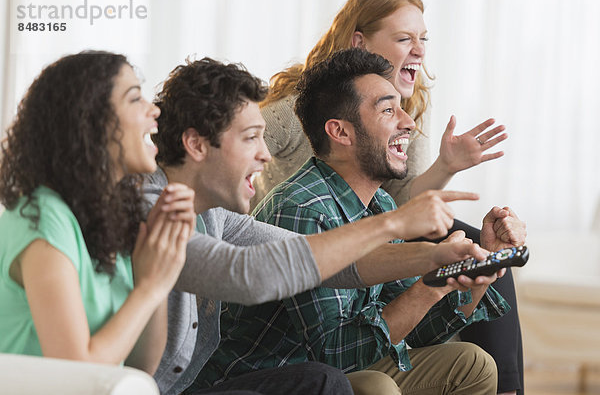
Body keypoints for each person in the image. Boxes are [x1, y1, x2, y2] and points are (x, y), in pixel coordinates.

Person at [143, 56, 495, 395]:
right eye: (251, 138)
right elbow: (248, 273)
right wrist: (395, 224)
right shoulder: (150, 209)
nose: (265, 155)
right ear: (195, 144)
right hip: (205, 382)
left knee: (470, 364)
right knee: (333, 381)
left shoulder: (214, 215)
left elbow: (329, 264)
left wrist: (438, 262)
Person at [254, 0, 523, 394]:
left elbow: (413, 321)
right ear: (339, 131)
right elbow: (333, 356)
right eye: (404, 38)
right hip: (291, 366)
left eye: (423, 39)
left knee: (472, 362)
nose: (409, 122)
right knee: (378, 383)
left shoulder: (378, 199)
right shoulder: (301, 195)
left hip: (362, 264)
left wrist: (475, 274)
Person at [0, 51, 195, 375]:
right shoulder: (43, 218)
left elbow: (140, 365)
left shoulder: (106, 217)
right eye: (135, 99)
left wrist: (158, 274)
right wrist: (148, 289)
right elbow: (76, 373)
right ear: (89, 121)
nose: (154, 109)